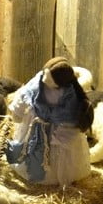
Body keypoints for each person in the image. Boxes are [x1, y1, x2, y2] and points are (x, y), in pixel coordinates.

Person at [7, 56, 93, 186]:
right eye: (44, 75)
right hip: (35, 125)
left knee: (58, 156)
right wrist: (17, 113)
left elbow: (72, 117)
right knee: (33, 152)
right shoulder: (37, 82)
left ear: (60, 83)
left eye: (49, 80)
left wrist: (64, 134)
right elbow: (24, 94)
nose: (44, 80)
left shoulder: (70, 95)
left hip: (58, 131)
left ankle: (55, 177)